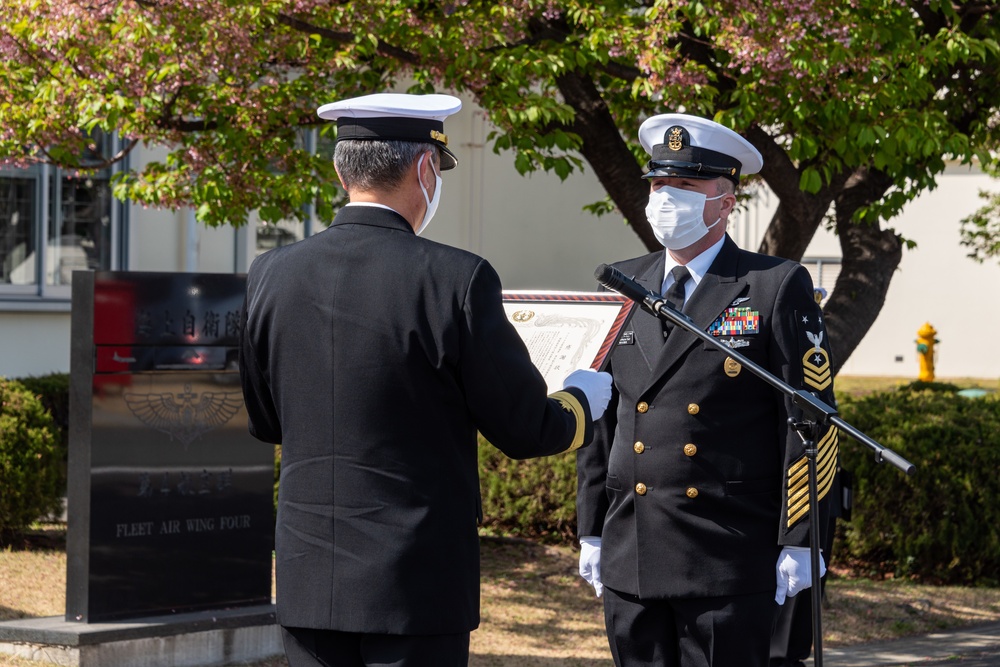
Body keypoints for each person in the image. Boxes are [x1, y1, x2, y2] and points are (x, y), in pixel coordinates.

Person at [239, 92, 613, 667]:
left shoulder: (270, 273)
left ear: (342, 170)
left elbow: (266, 419)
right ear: (424, 167)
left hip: (308, 575)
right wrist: (580, 401)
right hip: (414, 580)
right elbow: (524, 429)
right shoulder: (456, 279)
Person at [576, 113, 839, 667]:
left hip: (725, 552)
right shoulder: (623, 283)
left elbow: (809, 418)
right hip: (634, 547)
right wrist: (591, 527)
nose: (665, 200)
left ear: (725, 202)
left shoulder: (771, 286)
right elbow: (604, 419)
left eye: (685, 187)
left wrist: (802, 535)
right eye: (658, 186)